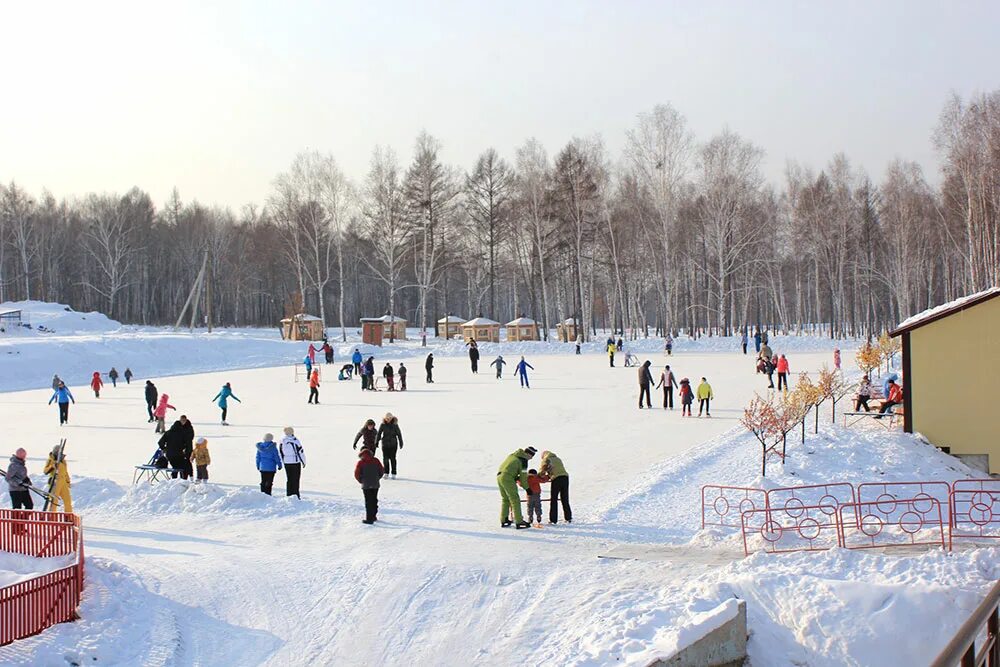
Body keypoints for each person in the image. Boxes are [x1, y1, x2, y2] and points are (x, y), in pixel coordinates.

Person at [497, 447, 536, 529]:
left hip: (499, 476)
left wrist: (515, 476)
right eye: (532, 456)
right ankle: (519, 521)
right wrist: (527, 488)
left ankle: (504, 519)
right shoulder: (523, 460)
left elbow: (510, 468)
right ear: (528, 454)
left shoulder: (512, 455)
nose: (531, 458)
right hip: (508, 478)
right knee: (515, 499)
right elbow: (523, 477)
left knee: (505, 499)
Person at [539, 450, 571, 524]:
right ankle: (568, 517)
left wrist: (540, 476)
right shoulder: (558, 459)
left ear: (543, 456)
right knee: (565, 499)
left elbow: (542, 471)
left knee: (554, 499)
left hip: (556, 479)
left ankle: (553, 519)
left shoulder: (546, 459)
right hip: (565, 477)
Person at [355, 447, 384, 524]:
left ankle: (369, 519)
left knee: (368, 501)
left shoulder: (360, 463)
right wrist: (377, 478)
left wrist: (361, 481)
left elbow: (356, 474)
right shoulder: (376, 460)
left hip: (366, 485)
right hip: (375, 484)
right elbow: (381, 470)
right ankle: (374, 516)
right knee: (374, 500)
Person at [43, 444, 72, 511]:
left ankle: (68, 516)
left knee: (67, 500)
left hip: (63, 482)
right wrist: (52, 466)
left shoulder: (63, 461)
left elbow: (65, 472)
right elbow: (45, 471)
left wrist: (68, 481)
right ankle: (52, 517)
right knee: (54, 501)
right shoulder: (51, 460)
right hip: (55, 482)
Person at [280, 427, 306, 498]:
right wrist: (303, 462)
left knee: (289, 479)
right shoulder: (295, 440)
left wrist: (282, 462)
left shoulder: (282, 441)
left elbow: (280, 452)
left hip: (287, 462)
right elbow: (300, 452)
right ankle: (296, 494)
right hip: (295, 462)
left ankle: (289, 494)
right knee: (296, 479)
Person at [376, 413, 403, 478]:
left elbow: (399, 434)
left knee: (393, 459)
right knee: (385, 459)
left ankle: (394, 473)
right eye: (387, 418)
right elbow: (379, 433)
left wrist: (401, 442)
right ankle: (386, 472)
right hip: (385, 444)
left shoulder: (395, 425)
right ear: (385, 418)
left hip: (393, 444)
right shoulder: (383, 425)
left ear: (392, 418)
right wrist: (376, 441)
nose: (388, 420)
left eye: (389, 418)